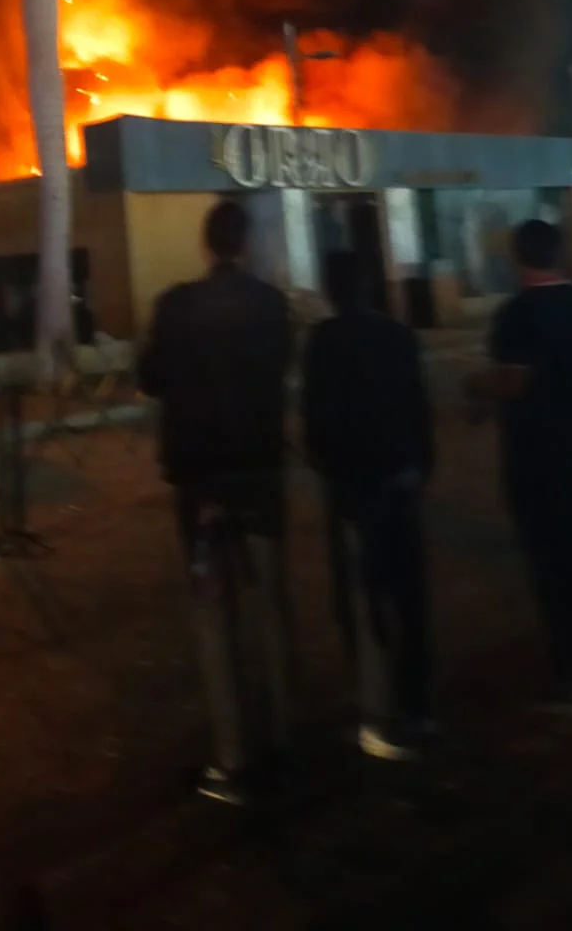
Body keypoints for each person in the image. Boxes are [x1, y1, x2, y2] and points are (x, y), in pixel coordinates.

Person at [138, 199, 293, 806]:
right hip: (259, 474)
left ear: (207, 246)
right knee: (271, 604)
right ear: (245, 245)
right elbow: (282, 367)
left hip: (201, 484)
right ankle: (284, 735)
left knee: (212, 613)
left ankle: (232, 756)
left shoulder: (175, 307)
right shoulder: (271, 304)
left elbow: (150, 378)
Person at [479, 217, 572, 712]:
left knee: (551, 566)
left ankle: (571, 676)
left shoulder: (515, 314)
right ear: (558, 254)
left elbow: (514, 381)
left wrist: (478, 386)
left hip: (536, 454)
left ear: (517, 258)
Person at [301, 250, 434, 761]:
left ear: (331, 292)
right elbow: (419, 408)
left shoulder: (324, 341)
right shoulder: (398, 335)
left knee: (363, 597)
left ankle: (379, 709)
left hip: (354, 487)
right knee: (409, 594)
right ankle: (419, 704)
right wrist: (420, 466)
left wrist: (328, 466)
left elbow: (316, 419)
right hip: (400, 479)